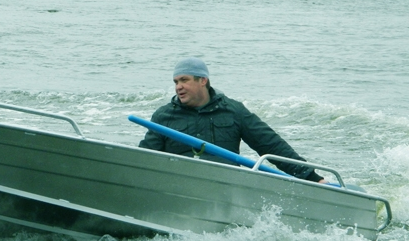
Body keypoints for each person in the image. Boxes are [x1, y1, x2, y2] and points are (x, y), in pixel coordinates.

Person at [139, 58, 325, 182]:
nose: (178, 87)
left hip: (225, 185)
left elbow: (271, 144)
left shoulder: (233, 111)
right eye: (176, 82)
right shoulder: (163, 116)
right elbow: (143, 159)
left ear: (203, 80)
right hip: (177, 182)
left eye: (184, 80)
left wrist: (312, 178)